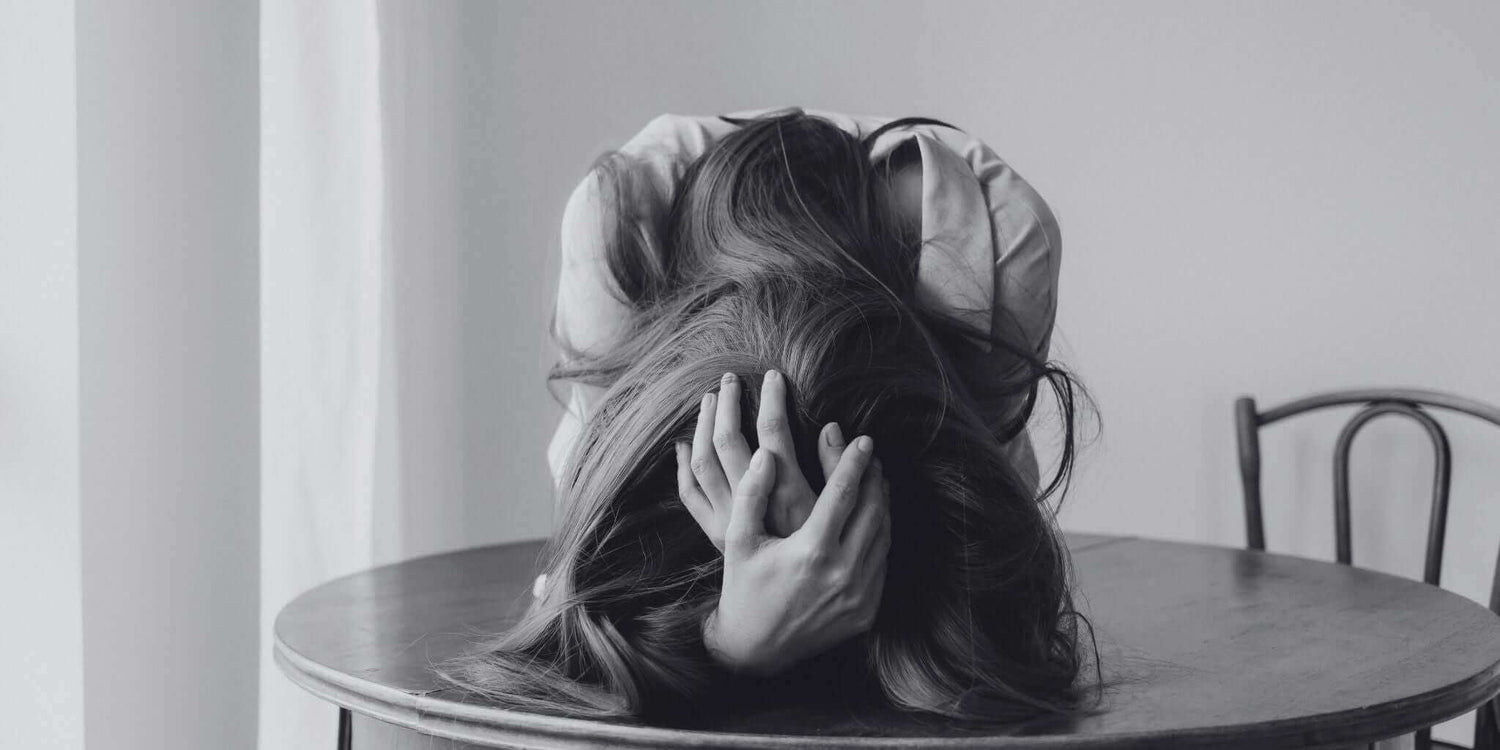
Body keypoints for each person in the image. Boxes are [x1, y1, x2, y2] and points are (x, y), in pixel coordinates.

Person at [438, 107, 1091, 723]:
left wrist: (870, 575)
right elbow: (563, 635)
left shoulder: (993, 259)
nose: (796, 536)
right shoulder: (617, 237)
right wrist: (730, 641)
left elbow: (1001, 645)